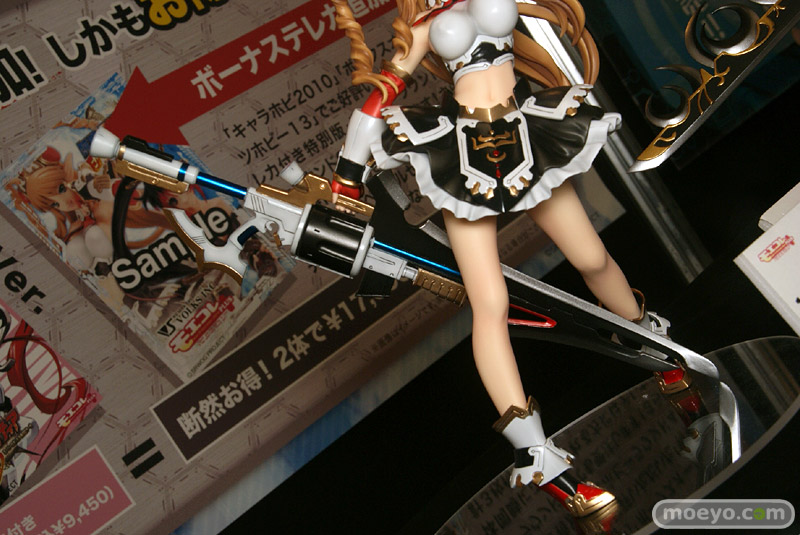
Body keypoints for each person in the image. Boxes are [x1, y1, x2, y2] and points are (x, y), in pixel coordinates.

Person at [331, 0, 662, 518]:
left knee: (592, 258)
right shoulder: (425, 19)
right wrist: (347, 174)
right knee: (490, 303)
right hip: (462, 154)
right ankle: (534, 451)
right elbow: (384, 91)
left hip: (527, 131)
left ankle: (651, 344)